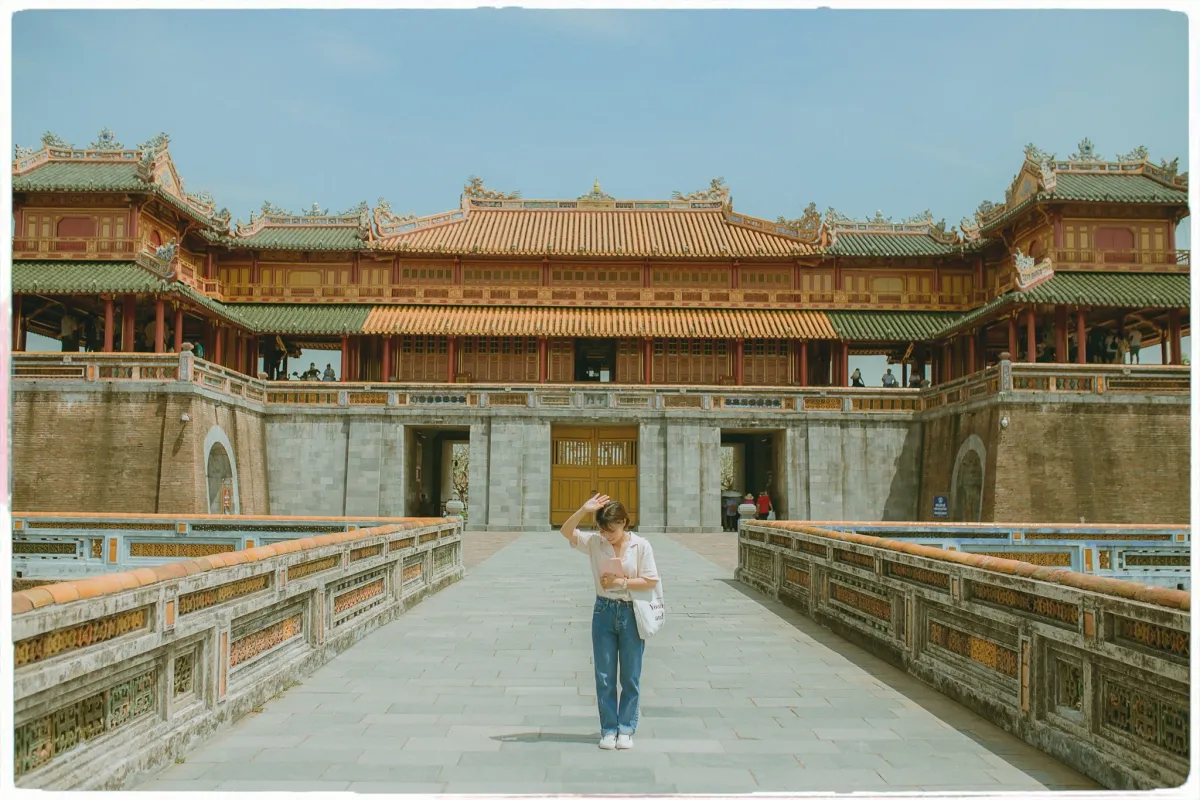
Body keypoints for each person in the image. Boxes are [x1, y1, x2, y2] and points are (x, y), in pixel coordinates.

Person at [560, 493, 659, 751]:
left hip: (630, 611)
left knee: (630, 676)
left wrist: (621, 582)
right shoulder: (594, 543)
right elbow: (566, 531)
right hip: (603, 611)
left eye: (612, 530)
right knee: (604, 676)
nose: (607, 535)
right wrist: (584, 508)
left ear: (624, 522)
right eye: (603, 530)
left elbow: (650, 581)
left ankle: (626, 728)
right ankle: (608, 729)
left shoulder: (641, 545)